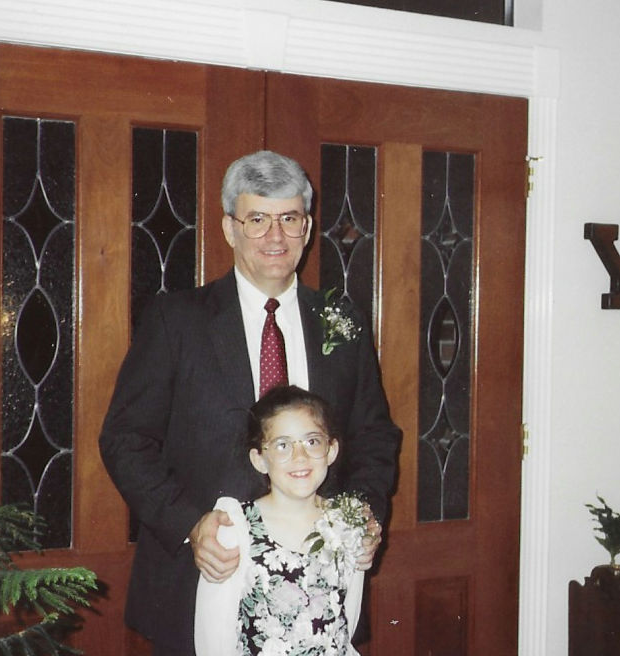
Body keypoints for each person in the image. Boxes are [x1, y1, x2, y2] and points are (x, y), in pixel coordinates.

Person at [99, 150, 401, 655]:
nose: (275, 237)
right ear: (229, 228)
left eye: (289, 219)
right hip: (203, 579)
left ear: (307, 227)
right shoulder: (177, 320)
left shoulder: (340, 320)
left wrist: (362, 518)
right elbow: (126, 440)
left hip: (317, 592)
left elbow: (374, 435)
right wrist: (188, 524)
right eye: (257, 219)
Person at [194, 385, 366, 656]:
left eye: (312, 441)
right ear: (259, 459)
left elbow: (348, 612)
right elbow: (213, 633)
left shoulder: (346, 522)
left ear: (331, 450)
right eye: (282, 445)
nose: (300, 457)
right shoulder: (237, 528)